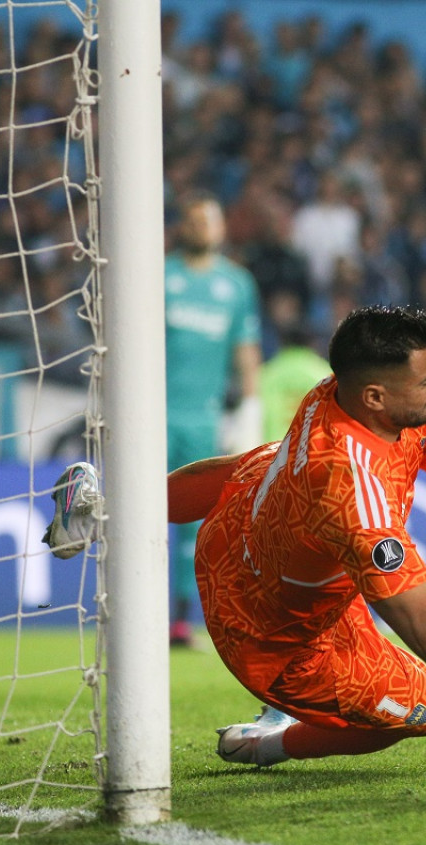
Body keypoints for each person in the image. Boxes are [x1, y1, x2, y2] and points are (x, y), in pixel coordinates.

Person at [45, 306, 426, 765]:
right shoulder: (351, 494)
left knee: (256, 464)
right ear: (376, 397)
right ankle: (273, 742)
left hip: (242, 530)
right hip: (271, 634)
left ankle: (104, 509)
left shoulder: (354, 398)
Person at [164, 193, 263, 646]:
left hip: (203, 420)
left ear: (223, 229)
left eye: (211, 219)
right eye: (196, 219)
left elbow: (245, 347)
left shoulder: (237, 285)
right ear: (183, 226)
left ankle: (182, 621)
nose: (204, 227)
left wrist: (250, 405)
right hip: (154, 415)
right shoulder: (161, 275)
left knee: (196, 522)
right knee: (141, 512)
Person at [258, 323, 332, 444]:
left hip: (273, 452)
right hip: (314, 453)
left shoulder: (266, 374)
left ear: (282, 343)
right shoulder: (325, 374)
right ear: (312, 344)